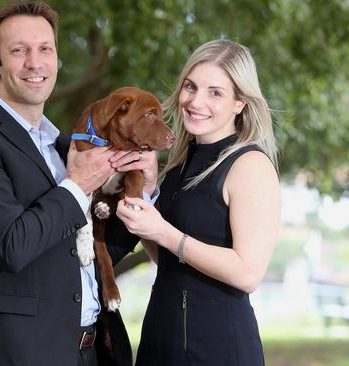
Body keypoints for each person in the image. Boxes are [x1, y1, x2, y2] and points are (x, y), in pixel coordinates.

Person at [0, 2, 156, 365]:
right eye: (18, 51)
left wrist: (142, 190)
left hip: (95, 351)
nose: (34, 63)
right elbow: (12, 245)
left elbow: (95, 250)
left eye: (45, 49)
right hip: (19, 354)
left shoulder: (64, 145)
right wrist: (76, 185)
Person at [116, 39, 280, 365]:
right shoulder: (179, 164)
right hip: (160, 342)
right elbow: (167, 260)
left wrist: (165, 232)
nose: (195, 101)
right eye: (190, 86)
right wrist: (148, 191)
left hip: (216, 349)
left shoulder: (250, 165)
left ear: (240, 103)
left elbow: (248, 273)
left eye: (215, 92)